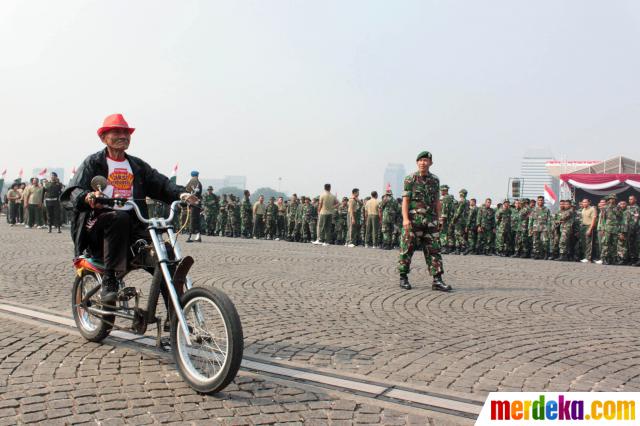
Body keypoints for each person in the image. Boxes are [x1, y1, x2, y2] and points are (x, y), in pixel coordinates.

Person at [63, 113, 197, 306]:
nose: (123, 136)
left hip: (133, 227)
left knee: (165, 253)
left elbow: (161, 184)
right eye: (116, 132)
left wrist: (183, 194)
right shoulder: (93, 163)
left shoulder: (137, 165)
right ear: (103, 138)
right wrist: (88, 197)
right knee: (119, 217)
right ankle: (110, 281)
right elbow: (72, 192)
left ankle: (175, 316)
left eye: (126, 133)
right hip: (97, 227)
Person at [398, 151, 450, 292]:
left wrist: (439, 218)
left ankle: (437, 280)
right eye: (420, 160)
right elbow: (405, 201)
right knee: (407, 249)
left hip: (430, 221)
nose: (423, 163)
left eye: (426, 160)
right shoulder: (410, 179)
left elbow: (437, 201)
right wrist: (405, 219)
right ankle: (403, 277)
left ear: (430, 163)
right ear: (417, 163)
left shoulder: (435, 180)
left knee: (434, 250)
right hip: (413, 221)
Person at [184, 171, 203, 243]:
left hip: (194, 203)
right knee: (196, 220)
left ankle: (190, 236)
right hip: (195, 204)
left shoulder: (194, 182)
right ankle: (198, 236)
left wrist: (187, 198)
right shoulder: (197, 182)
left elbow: (194, 192)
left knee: (193, 220)